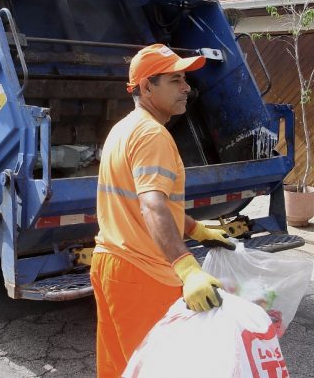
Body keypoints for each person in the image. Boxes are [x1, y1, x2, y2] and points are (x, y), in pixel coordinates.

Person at [90, 43, 235, 378]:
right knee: (158, 369)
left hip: (112, 263)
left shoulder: (124, 128)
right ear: (146, 87)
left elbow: (144, 203)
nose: (187, 87)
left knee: (122, 368)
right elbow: (151, 204)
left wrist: (197, 230)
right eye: (175, 80)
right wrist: (188, 269)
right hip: (143, 272)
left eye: (184, 79)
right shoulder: (152, 135)